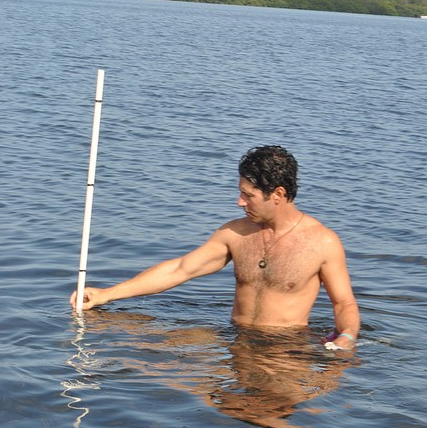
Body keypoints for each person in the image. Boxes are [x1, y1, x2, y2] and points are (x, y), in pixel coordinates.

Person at [70, 145, 360, 349]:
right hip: (235, 337)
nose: (239, 202)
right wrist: (106, 294)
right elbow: (181, 269)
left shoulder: (322, 242)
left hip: (284, 348)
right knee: (151, 353)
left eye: (248, 195)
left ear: (277, 194)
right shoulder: (235, 233)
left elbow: (344, 303)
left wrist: (346, 336)